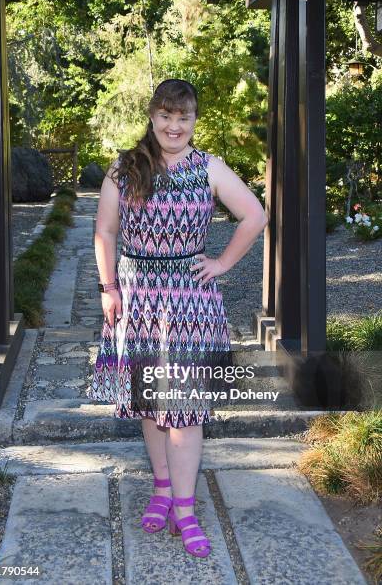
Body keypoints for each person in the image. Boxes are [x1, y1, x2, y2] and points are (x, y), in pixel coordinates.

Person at [86, 78, 268, 558]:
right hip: (137, 298)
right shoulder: (125, 168)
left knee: (183, 409)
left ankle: (185, 510)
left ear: (193, 120)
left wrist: (223, 263)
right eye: (166, 116)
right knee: (151, 403)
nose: (174, 126)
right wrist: (108, 288)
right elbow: (105, 231)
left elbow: (255, 215)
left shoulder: (209, 167)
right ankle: (162, 488)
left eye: (183, 117)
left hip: (190, 302)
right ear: (152, 116)